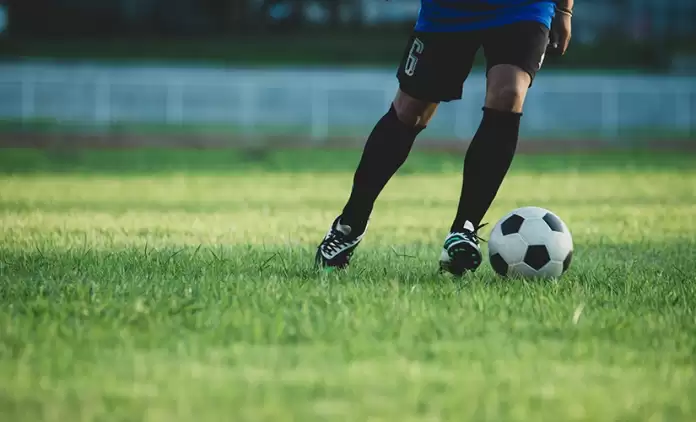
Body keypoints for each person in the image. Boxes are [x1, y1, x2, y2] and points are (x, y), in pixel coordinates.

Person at [315, 0, 573, 275]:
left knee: (508, 93)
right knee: (410, 110)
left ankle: (464, 230)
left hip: (522, 7)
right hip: (449, 8)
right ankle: (350, 224)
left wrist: (565, 10)